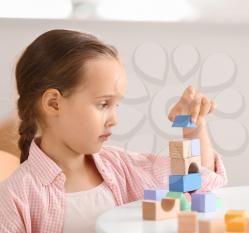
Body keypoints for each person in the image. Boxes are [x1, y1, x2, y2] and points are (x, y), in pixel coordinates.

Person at [0, 29, 227, 233]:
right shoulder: (15, 197)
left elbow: (196, 183)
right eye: (103, 104)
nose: (114, 120)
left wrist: (192, 126)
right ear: (53, 104)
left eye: (116, 105)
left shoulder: (124, 168)